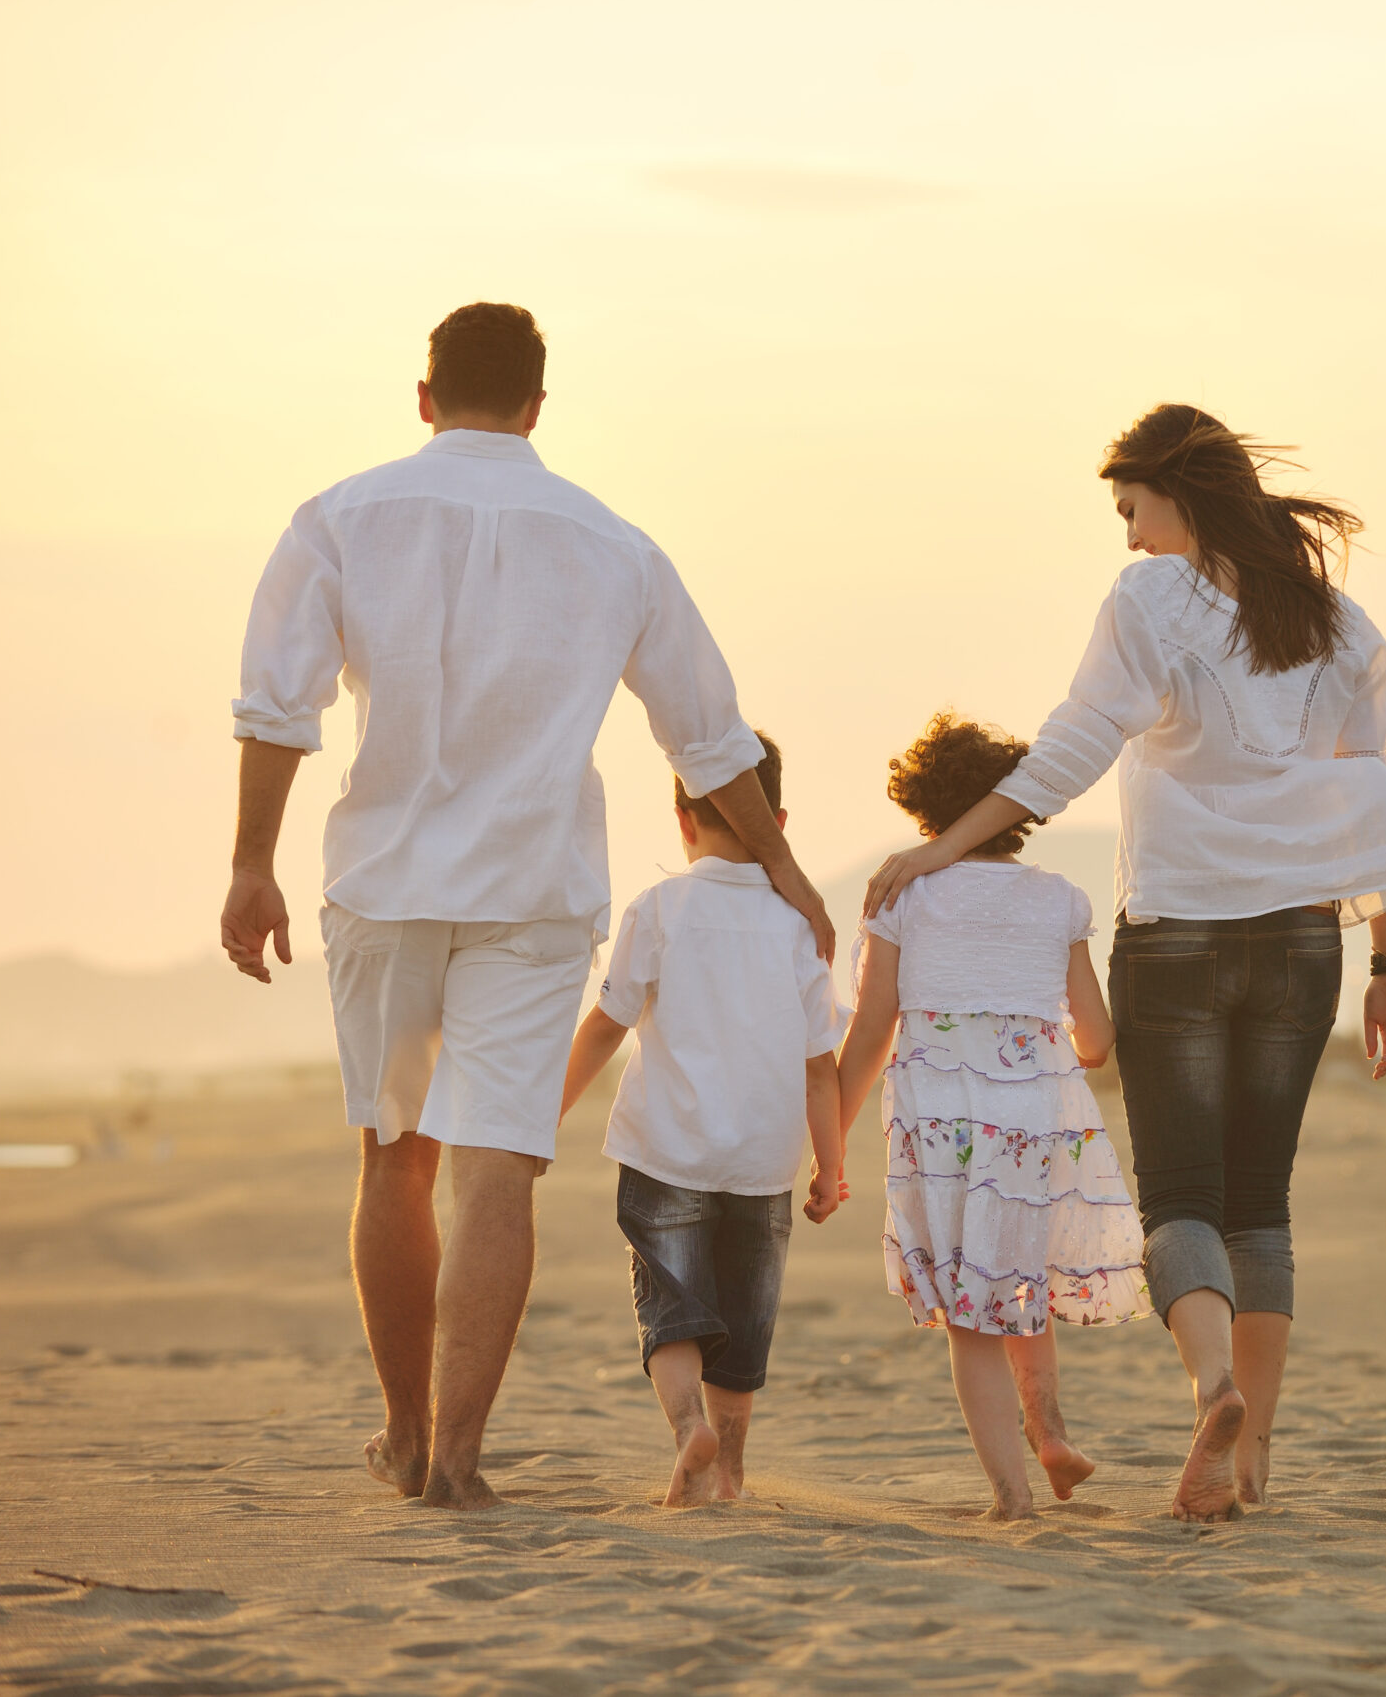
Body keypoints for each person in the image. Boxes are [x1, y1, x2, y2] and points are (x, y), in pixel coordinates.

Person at [221, 303, 832, 1513]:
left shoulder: (341, 516)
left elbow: (276, 707)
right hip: (537, 894)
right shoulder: (613, 543)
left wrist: (251, 863)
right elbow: (707, 740)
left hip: (385, 887)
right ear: (539, 408)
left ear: (424, 395)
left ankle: (405, 1436)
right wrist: (784, 867)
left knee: (397, 1157)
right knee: (496, 1171)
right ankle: (457, 1458)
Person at [864, 406, 1386, 1522]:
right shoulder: (1341, 624)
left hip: (1177, 928)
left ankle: (1215, 1386)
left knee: (1179, 1195)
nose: (1130, 538)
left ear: (1177, 493)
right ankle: (1252, 1459)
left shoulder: (1148, 601)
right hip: (1299, 939)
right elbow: (1379, 792)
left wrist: (943, 845)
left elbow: (1076, 743)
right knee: (1260, 1203)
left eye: (1131, 509)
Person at [837, 712, 1146, 1520]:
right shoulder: (1058, 901)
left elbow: (871, 1029)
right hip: (1033, 1121)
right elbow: (1098, 1036)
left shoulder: (904, 893)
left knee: (969, 1315)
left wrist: (828, 1142)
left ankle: (1012, 1497)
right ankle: (1048, 1435)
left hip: (941, 1127)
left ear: (925, 807)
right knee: (1019, 1277)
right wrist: (1041, 1052)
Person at [556, 732, 846, 1506]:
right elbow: (822, 1065)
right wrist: (833, 1164)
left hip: (667, 1154)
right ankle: (734, 1473)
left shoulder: (657, 907)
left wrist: (545, 1108)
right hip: (763, 1164)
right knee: (744, 1327)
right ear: (777, 821)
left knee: (669, 1309)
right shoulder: (800, 928)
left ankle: (690, 1432)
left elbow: (606, 1025)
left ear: (681, 820)